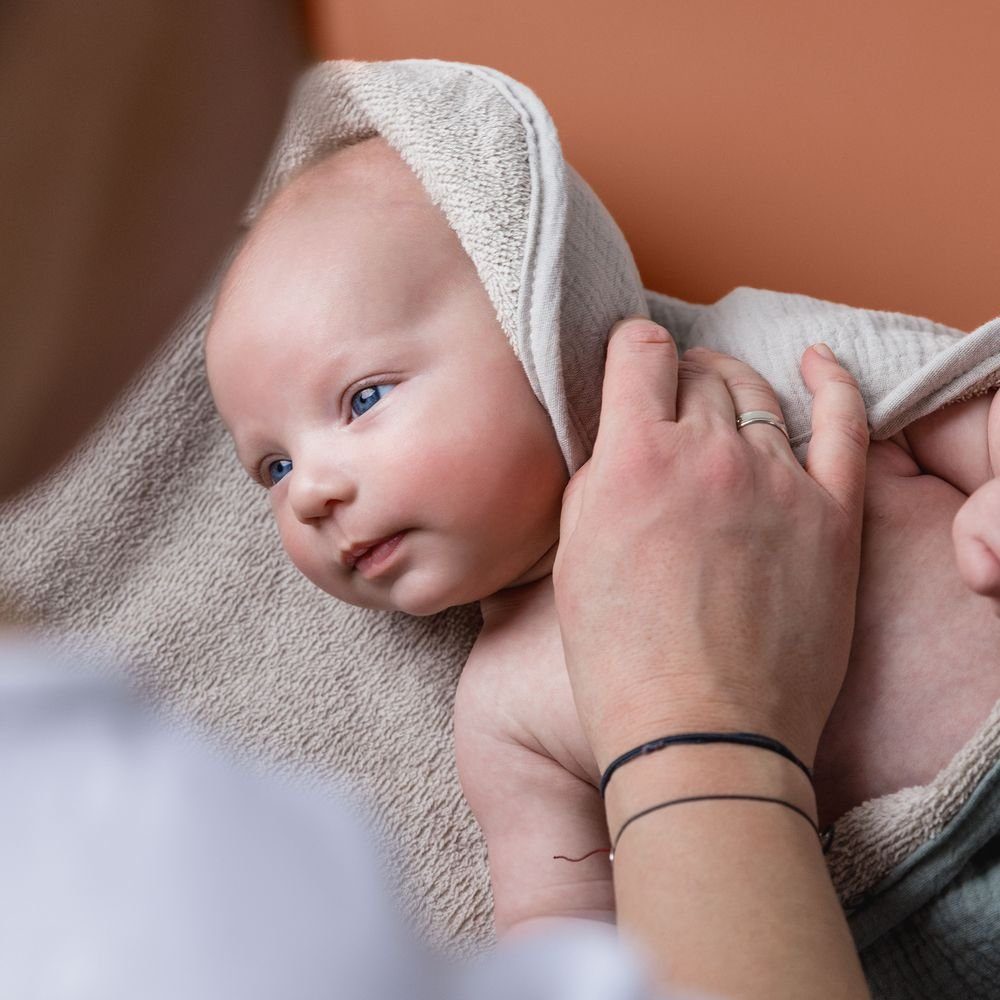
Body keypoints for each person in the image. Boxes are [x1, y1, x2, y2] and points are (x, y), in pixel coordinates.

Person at [204, 135, 1000, 936]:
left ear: (538, 316)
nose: (307, 492)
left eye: (364, 398)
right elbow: (562, 941)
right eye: (272, 467)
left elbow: (970, 398)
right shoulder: (504, 708)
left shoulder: (749, 367)